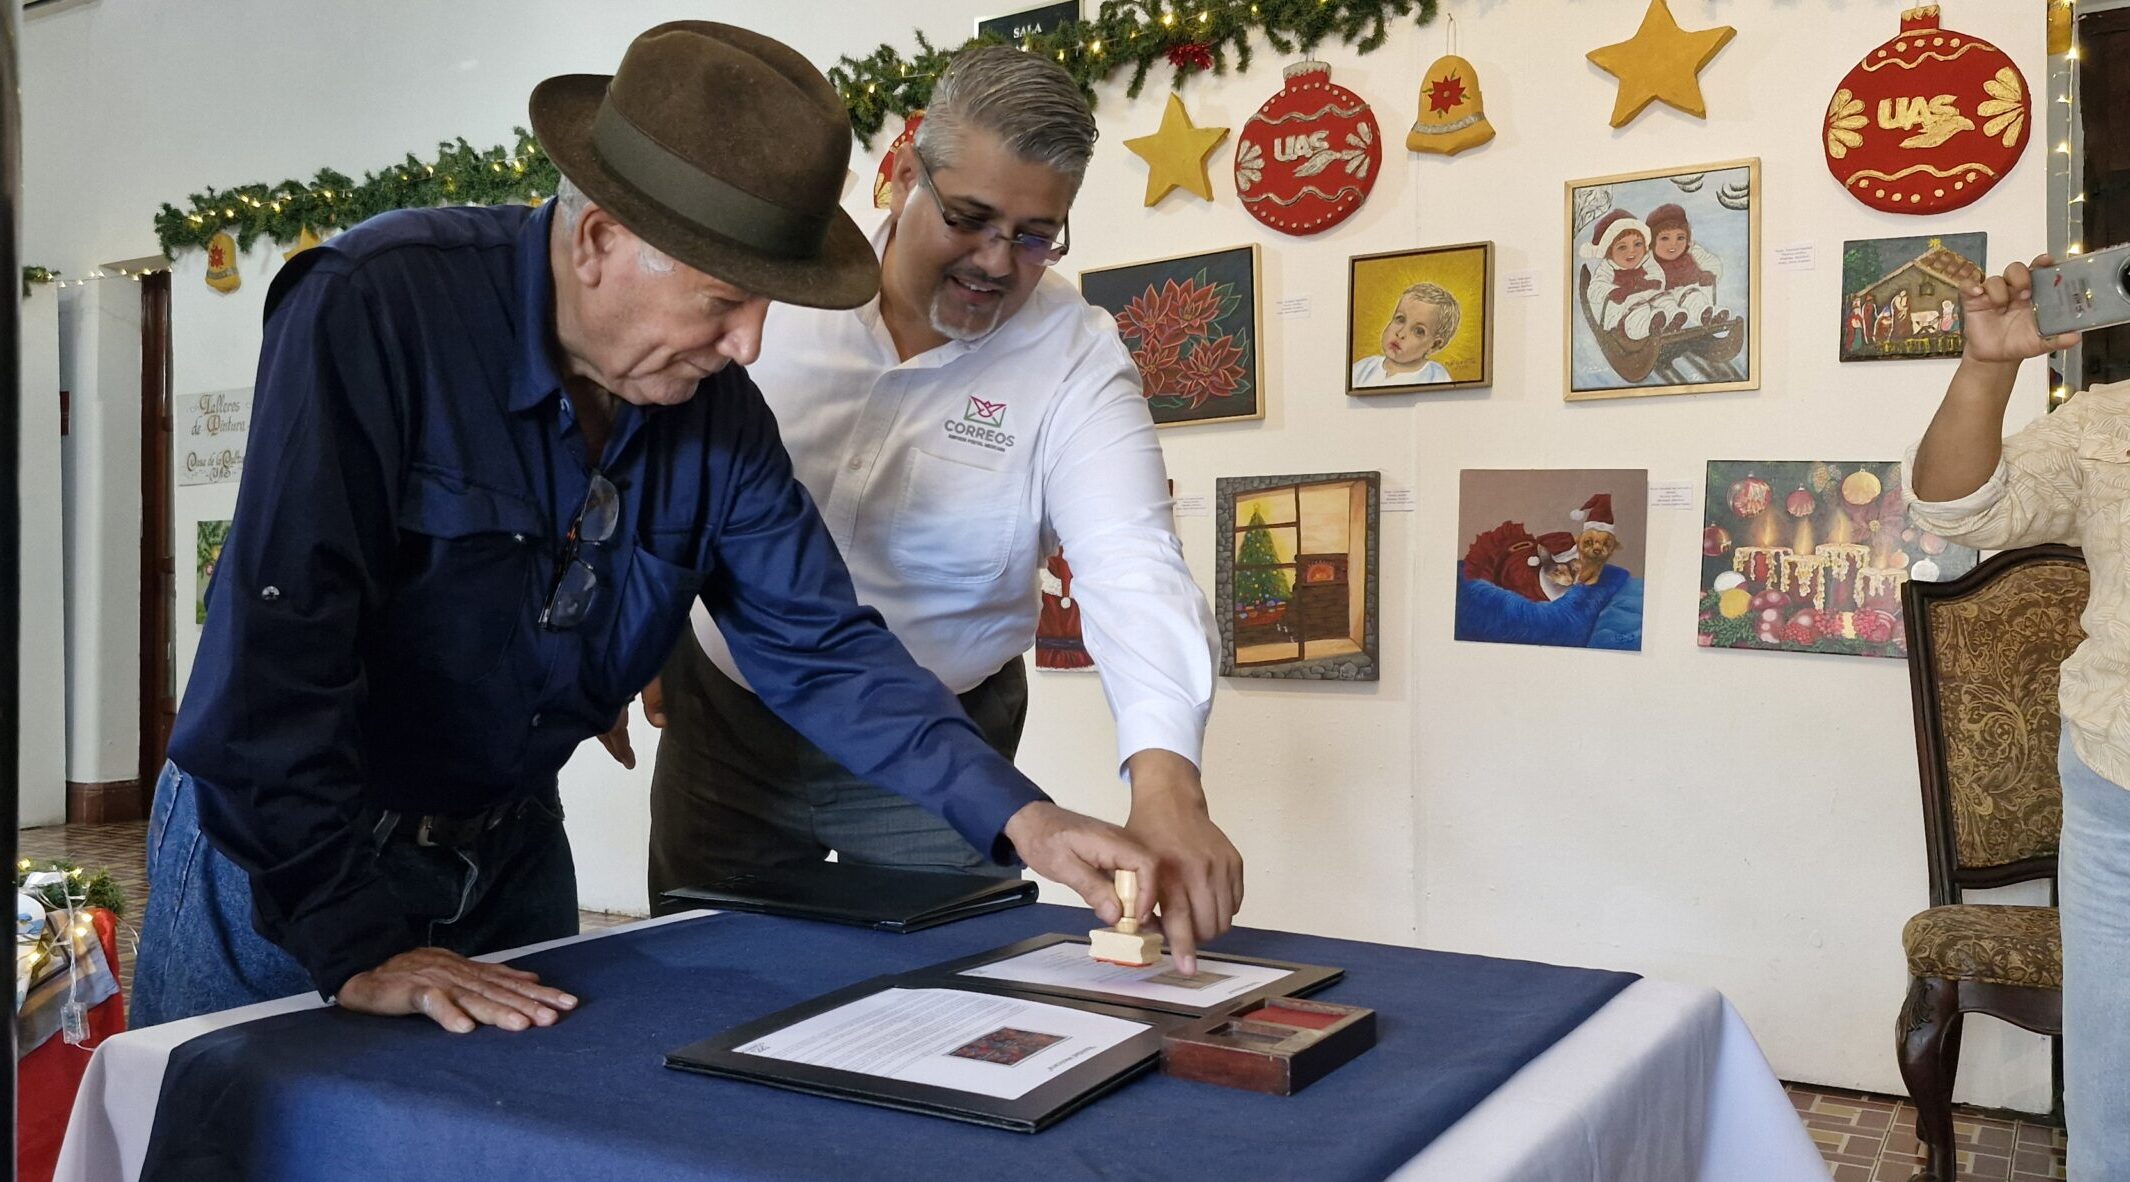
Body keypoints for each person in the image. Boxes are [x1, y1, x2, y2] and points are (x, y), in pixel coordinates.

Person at [133, 22, 1166, 1035]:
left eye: (765, 306)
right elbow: (280, 644)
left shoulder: (717, 411)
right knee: (235, 1117)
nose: (749, 344)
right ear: (598, 242)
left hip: (507, 850)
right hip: (291, 853)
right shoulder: (377, 308)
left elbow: (819, 642)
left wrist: (1024, 817)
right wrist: (349, 933)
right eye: (724, 301)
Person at [619, 46, 1242, 969]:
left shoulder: (1077, 357)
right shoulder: (780, 279)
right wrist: (630, 633)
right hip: (729, 719)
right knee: (706, 974)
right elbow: (655, 450)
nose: (995, 261)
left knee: (937, 997)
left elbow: (1132, 563)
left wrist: (1167, 783)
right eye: (969, 218)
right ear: (905, 172)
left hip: (942, 744)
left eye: (1035, 236)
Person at [1907, 253, 2126, 1176]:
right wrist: (1987, 365)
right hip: (2118, 788)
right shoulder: (2110, 422)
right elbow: (1958, 507)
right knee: (2114, 1108)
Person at [1350, 282, 1459, 388]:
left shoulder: (1436, 376)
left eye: (1418, 331)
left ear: (1434, 345)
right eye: (1400, 319)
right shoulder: (1364, 368)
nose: (1401, 334)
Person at [1580, 211, 1666, 341]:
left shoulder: (1647, 260)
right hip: (1623, 310)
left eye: (1637, 244)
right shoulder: (1608, 267)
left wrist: (1652, 282)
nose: (1632, 251)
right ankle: (1647, 327)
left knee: (1665, 300)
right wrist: (1613, 291)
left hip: (1649, 299)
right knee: (1637, 313)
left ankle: (1672, 318)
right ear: (1609, 252)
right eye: (1622, 247)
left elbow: (1657, 275)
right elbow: (1595, 288)